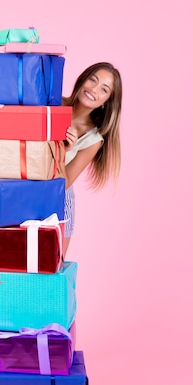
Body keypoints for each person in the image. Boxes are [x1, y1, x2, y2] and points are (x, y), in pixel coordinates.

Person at [62, 62, 122, 257]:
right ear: (83, 79)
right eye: (92, 80)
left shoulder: (93, 139)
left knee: (50, 271)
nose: (94, 90)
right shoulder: (53, 105)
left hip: (59, 200)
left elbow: (64, 184)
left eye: (103, 89)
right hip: (27, 188)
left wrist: (62, 152)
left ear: (106, 100)